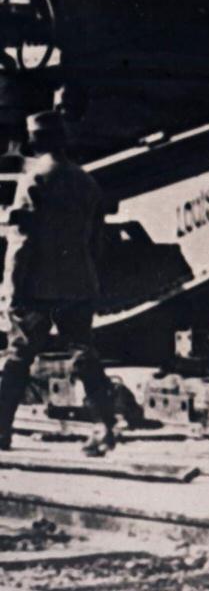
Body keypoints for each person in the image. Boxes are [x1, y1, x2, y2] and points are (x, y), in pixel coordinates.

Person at [0, 111, 118, 454]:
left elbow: (21, 239)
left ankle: (1, 431)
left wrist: (11, 284)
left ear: (34, 140)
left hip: (37, 284)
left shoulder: (35, 179)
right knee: (84, 351)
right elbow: (97, 239)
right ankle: (104, 427)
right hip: (79, 282)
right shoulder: (86, 181)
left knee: (19, 355)